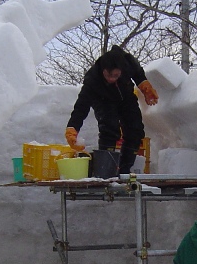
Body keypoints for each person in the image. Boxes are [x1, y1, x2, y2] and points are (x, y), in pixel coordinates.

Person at [64, 45, 158, 175]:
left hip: (125, 97)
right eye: (108, 75)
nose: (112, 79)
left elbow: (137, 72)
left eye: (116, 75)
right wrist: (72, 127)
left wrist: (144, 84)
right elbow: (81, 106)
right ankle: (106, 172)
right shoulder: (92, 80)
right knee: (110, 130)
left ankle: (124, 171)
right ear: (103, 70)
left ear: (121, 70)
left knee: (135, 131)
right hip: (103, 100)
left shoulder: (127, 62)